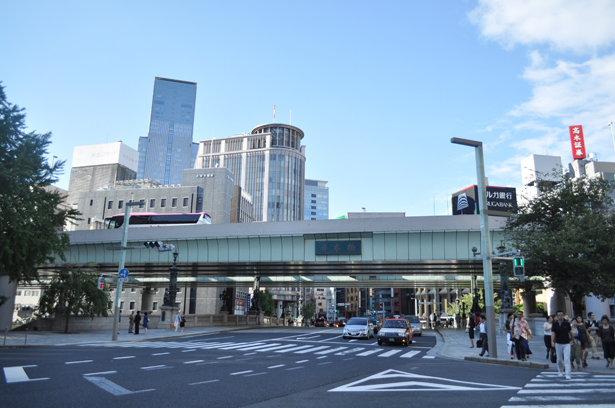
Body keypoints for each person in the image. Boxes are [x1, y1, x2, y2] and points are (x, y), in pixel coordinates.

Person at [552, 310, 573, 380]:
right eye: (559, 315)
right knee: (559, 359)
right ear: (557, 316)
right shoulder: (555, 324)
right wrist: (552, 341)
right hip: (558, 343)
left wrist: (573, 340)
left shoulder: (567, 324)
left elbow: (570, 332)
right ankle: (560, 371)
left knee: (567, 359)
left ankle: (568, 374)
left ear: (563, 316)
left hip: (566, 343)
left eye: (561, 315)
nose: (560, 316)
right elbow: (553, 333)